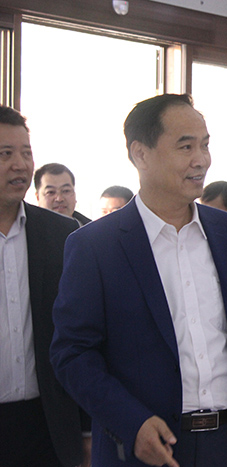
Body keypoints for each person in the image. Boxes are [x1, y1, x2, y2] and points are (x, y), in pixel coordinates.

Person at [50, 93, 227, 467]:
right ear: (140, 154)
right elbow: (72, 354)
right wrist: (131, 423)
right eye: (186, 146)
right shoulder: (95, 245)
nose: (201, 160)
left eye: (205, 145)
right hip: (147, 448)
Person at [0, 105, 89, 466]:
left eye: (26, 153)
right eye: (5, 154)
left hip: (48, 426)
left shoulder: (61, 234)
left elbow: (82, 336)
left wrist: (86, 430)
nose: (20, 165)